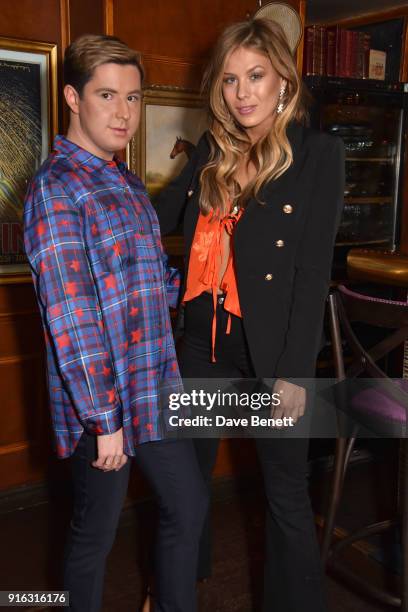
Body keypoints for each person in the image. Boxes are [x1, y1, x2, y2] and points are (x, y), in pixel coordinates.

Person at [154, 17, 345, 612]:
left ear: (282, 81)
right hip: (201, 345)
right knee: (183, 490)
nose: (242, 93)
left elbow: (312, 273)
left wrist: (293, 371)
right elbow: (156, 221)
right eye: (231, 79)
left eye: (256, 76)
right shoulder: (212, 149)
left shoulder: (318, 155)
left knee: (285, 495)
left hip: (271, 351)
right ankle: (179, 591)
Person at [23, 34, 207, 612]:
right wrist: (104, 421)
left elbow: (143, 285)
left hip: (153, 382)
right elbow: (72, 317)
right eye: (108, 95)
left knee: (190, 505)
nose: (124, 113)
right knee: (94, 535)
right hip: (100, 404)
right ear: (73, 98)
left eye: (133, 97)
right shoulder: (55, 189)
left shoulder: (125, 183)